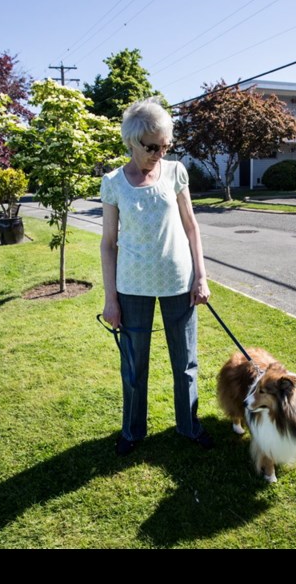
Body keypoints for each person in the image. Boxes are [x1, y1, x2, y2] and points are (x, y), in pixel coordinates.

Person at [100, 97, 213, 457]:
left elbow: (192, 227)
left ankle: (189, 425)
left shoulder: (177, 172)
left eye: (165, 146)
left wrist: (201, 277)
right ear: (132, 142)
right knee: (134, 367)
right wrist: (110, 299)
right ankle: (132, 432)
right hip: (132, 287)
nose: (159, 154)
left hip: (179, 283)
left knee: (186, 364)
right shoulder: (113, 183)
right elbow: (108, 244)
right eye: (152, 147)